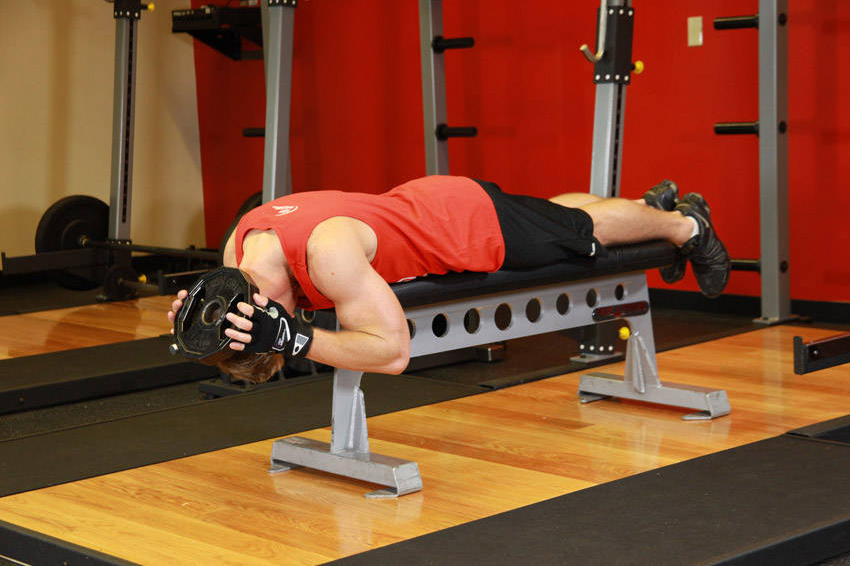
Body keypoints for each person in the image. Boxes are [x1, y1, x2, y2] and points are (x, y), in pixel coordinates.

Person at [168, 176, 729, 383]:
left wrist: (297, 340)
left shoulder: (326, 259)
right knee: (554, 218)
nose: (290, 322)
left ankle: (684, 225)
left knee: (584, 233)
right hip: (430, 202)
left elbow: (392, 354)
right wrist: (197, 315)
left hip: (464, 228)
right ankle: (649, 206)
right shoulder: (238, 246)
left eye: (283, 321)